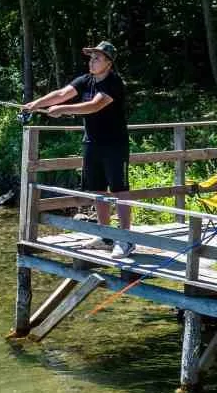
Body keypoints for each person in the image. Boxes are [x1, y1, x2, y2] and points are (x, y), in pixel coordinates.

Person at [22, 41, 134, 258]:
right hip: (92, 143)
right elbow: (62, 93)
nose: (92, 62)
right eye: (91, 58)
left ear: (108, 63)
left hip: (114, 144)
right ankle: (106, 236)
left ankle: (127, 239)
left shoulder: (113, 82)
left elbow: (95, 105)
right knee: (99, 189)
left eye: (97, 58)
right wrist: (36, 104)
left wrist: (62, 110)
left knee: (120, 189)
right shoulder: (86, 80)